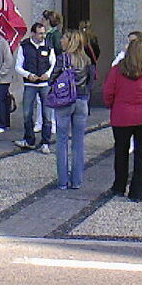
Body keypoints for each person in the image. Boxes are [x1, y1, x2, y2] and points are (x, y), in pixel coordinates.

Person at [103, 38, 142, 202]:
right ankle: (138, 191)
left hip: (121, 115)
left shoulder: (117, 70)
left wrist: (113, 105)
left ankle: (119, 186)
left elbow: (108, 93)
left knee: (121, 153)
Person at [50, 30, 93, 190]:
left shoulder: (63, 59)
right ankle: (77, 181)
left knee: (61, 141)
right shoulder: (86, 59)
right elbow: (90, 80)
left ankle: (62, 181)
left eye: (64, 38)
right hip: (81, 100)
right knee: (78, 142)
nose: (61, 40)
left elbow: (52, 79)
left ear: (70, 41)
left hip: (65, 100)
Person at [13, 22, 56, 153]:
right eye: (40, 33)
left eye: (44, 33)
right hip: (30, 84)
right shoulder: (24, 46)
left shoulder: (48, 46)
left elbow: (53, 63)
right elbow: (18, 66)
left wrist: (47, 75)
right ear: (33, 34)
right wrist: (28, 75)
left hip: (44, 85)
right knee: (27, 113)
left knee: (46, 114)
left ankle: (45, 142)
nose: (42, 36)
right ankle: (29, 140)